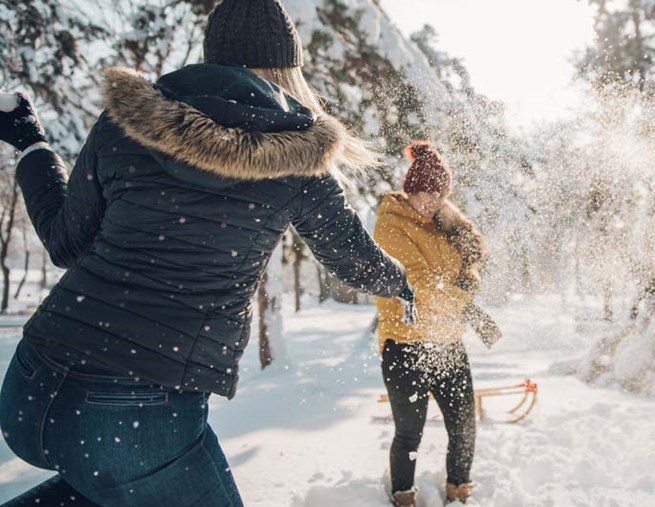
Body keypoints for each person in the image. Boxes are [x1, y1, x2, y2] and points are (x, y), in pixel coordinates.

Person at [0, 0, 415, 505]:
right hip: (134, 411)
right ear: (285, 68)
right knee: (120, 473)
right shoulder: (298, 157)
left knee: (108, 485)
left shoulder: (125, 125)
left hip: (31, 385)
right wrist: (401, 282)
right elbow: (353, 261)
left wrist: (32, 146)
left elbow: (65, 243)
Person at [375, 142, 489, 506]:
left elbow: (466, 265)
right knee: (410, 432)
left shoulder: (441, 222)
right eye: (426, 195)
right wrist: (466, 302)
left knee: (464, 426)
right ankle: (403, 496)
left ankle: (459, 490)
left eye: (439, 196)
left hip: (447, 342)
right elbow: (419, 286)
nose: (431, 203)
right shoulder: (390, 225)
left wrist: (470, 270)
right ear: (410, 191)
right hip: (404, 344)